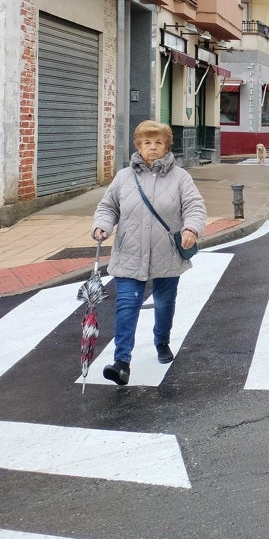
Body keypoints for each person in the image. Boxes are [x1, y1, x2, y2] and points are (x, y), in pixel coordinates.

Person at [92, 121, 206, 386]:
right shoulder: (123, 177)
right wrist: (102, 225)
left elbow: (194, 206)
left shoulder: (180, 178)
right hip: (130, 254)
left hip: (166, 254)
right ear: (138, 146)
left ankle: (161, 340)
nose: (152, 148)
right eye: (146, 143)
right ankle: (122, 363)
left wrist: (191, 228)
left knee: (165, 304)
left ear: (167, 146)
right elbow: (108, 206)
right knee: (126, 307)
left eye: (158, 143)